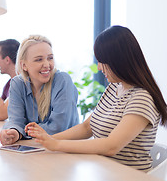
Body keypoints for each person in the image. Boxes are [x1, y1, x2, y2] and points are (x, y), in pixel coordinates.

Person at [25, 26, 167, 172]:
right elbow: (87, 127)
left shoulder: (142, 98)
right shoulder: (114, 88)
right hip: (103, 172)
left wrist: (56, 145)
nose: (99, 67)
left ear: (119, 61)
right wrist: (47, 139)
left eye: (102, 61)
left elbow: (111, 146)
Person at [0, 35, 79, 145]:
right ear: (24, 65)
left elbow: (58, 127)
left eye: (50, 58)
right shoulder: (18, 83)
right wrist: (13, 132)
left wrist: (23, 132)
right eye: (39, 60)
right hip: (37, 149)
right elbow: (15, 121)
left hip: (66, 150)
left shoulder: (62, 81)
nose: (47, 64)